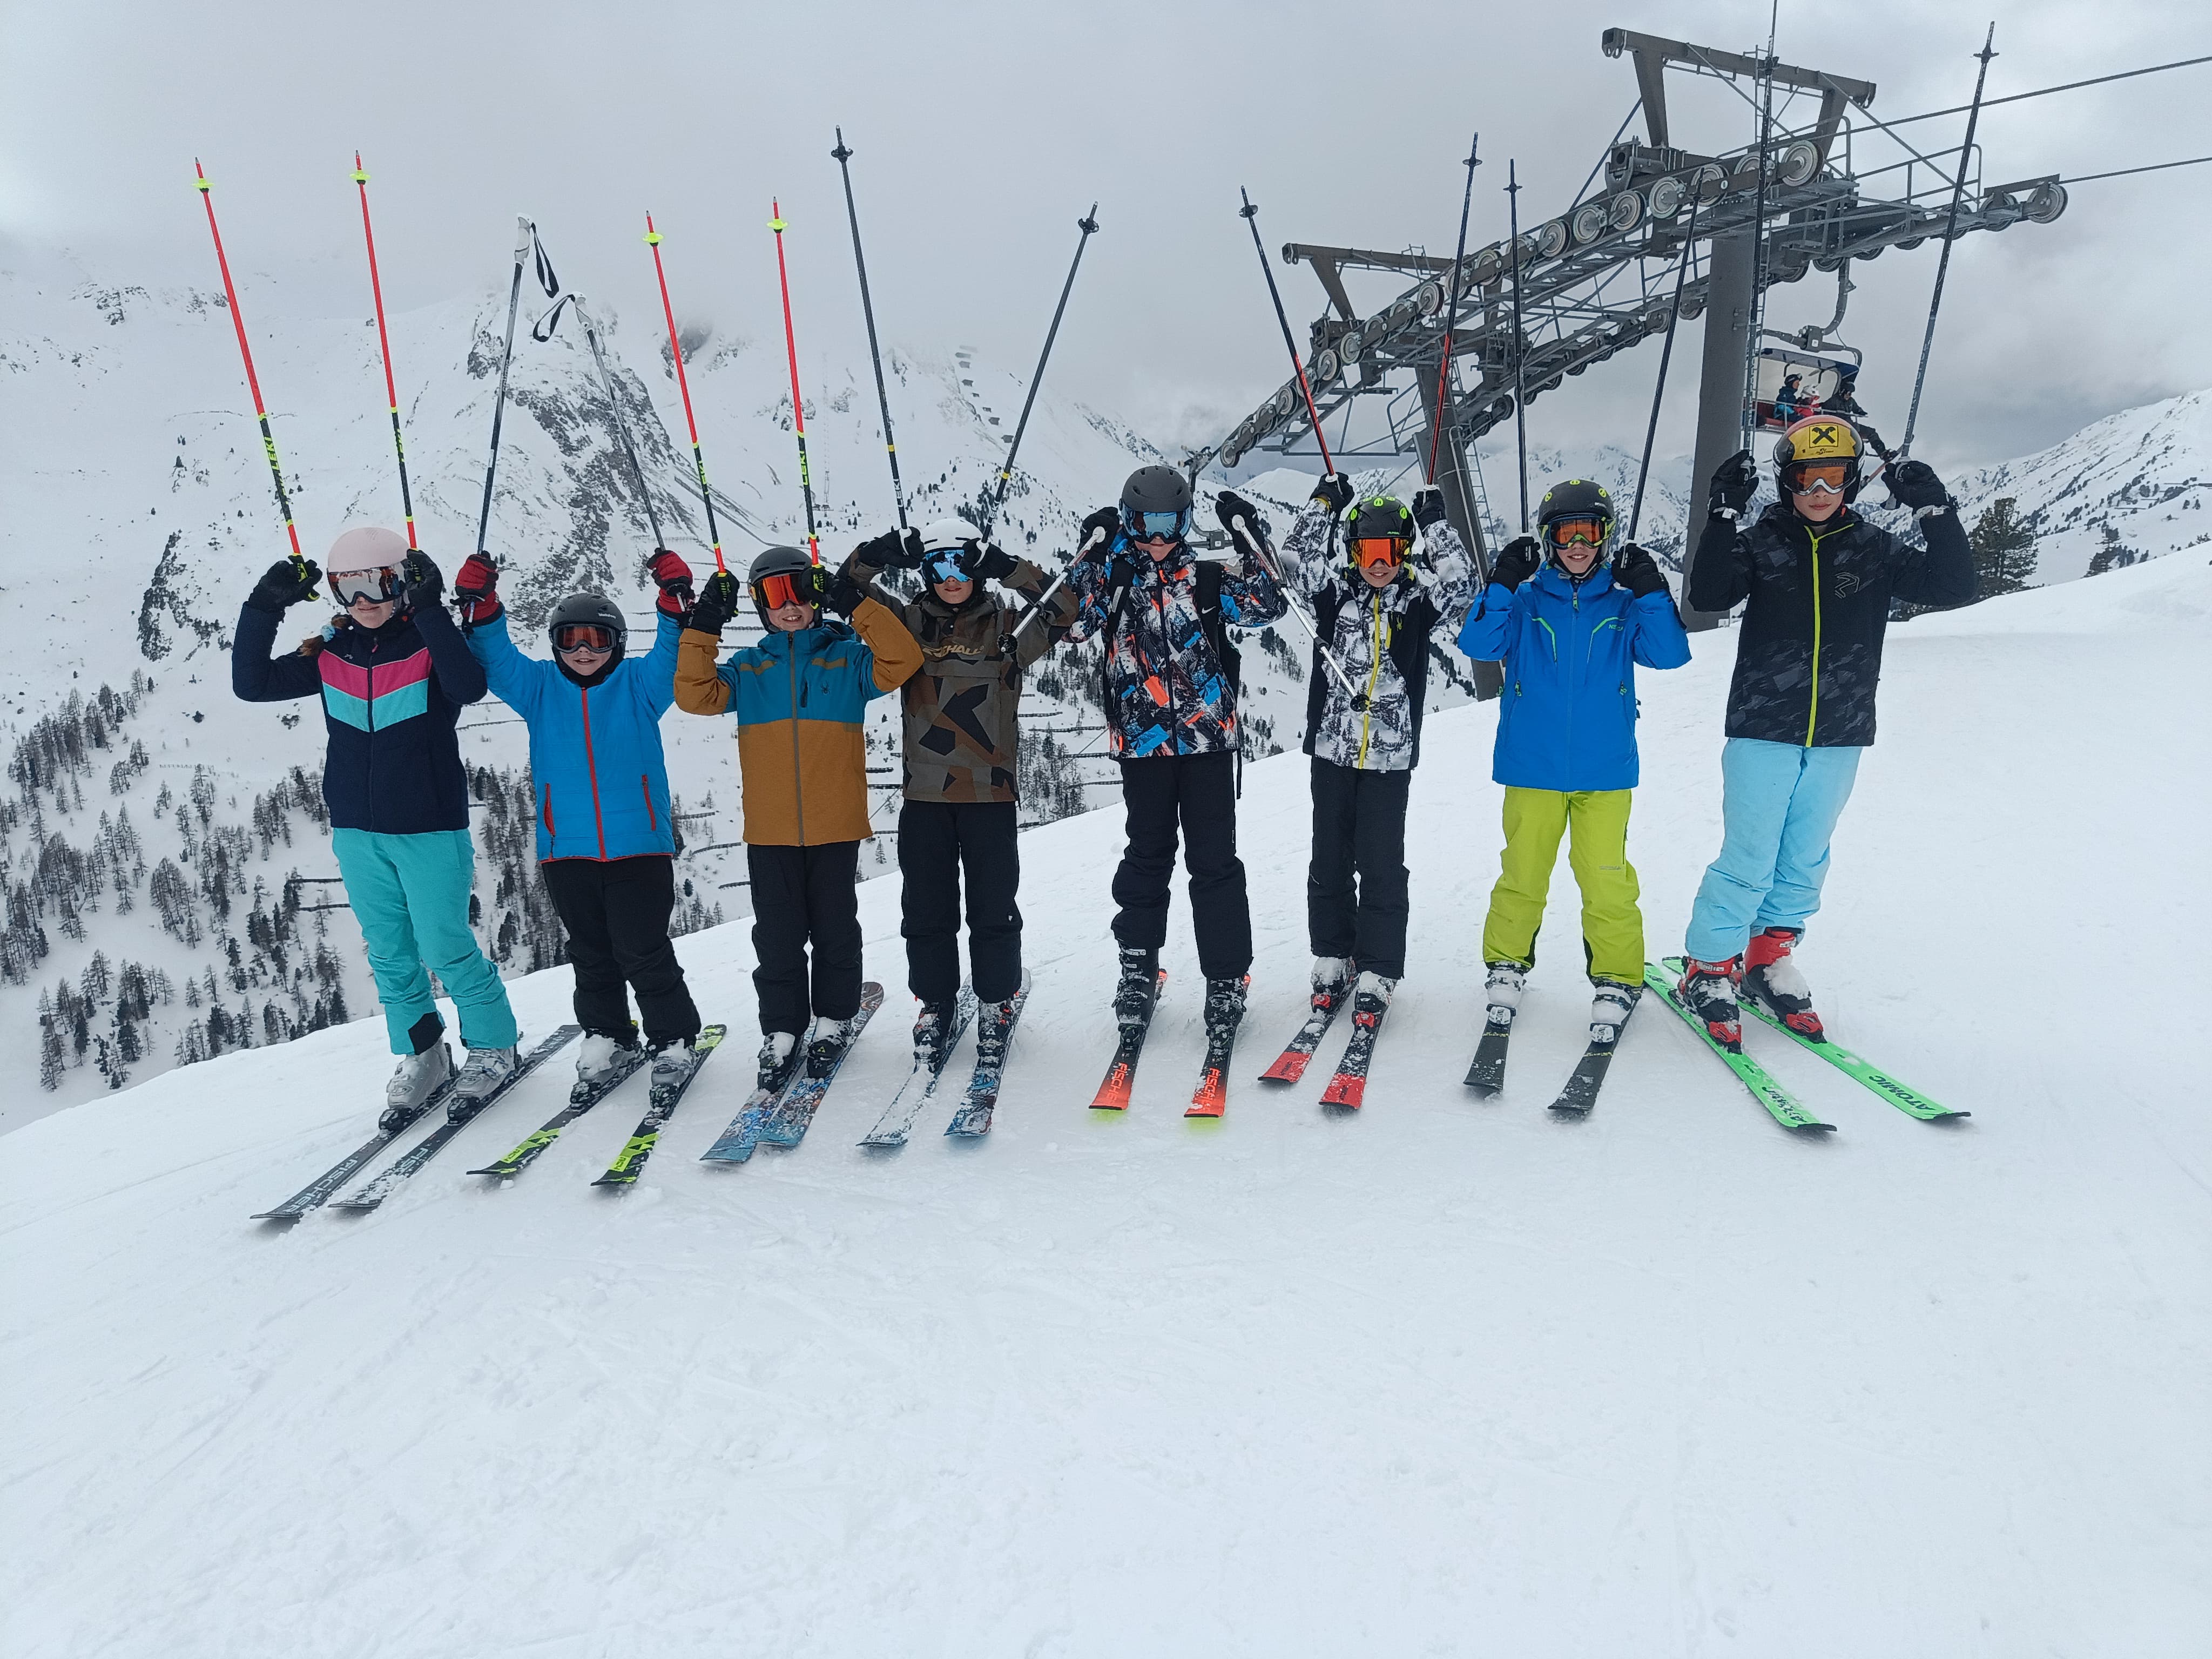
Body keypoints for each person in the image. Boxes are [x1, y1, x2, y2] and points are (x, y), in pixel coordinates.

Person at [1676, 415, 1974, 1045]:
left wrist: (1934, 511)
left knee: (1806, 856)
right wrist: (1723, 516)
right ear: (1787, 482)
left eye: (1834, 476)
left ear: (1849, 482)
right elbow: (1707, 595)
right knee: (1749, 857)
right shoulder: (1762, 542)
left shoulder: (1872, 547)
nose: (1819, 490)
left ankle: (1767, 958)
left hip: (1840, 730)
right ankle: (1707, 968)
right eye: (1807, 476)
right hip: (1763, 726)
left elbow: (1955, 586)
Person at [231, 527, 522, 1127]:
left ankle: (494, 1045)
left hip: (428, 827)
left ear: (403, 582)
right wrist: (266, 605)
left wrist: (432, 610)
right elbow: (251, 684)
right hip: (358, 830)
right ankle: (424, 1053)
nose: (364, 600)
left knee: (444, 945)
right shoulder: (331, 653)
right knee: (390, 952)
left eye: (379, 583)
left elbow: (469, 686)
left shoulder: (427, 645)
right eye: (348, 587)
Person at [451, 548, 703, 1095]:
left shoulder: (640, 686)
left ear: (617, 644)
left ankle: (673, 1036)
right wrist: (484, 605)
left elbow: (673, 652)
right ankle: (608, 1034)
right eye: (570, 639)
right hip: (566, 849)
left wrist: (672, 602)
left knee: (643, 948)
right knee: (589, 951)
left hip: (639, 846)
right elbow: (496, 658)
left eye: (597, 638)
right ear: (555, 646)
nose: (584, 651)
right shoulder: (538, 689)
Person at [673, 545, 921, 1085]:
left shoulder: (849, 660)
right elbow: (693, 695)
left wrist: (853, 602)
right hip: (771, 831)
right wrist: (704, 625)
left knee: (835, 931)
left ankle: (833, 1020)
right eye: (773, 596)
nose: (789, 607)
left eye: (799, 593)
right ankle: (781, 1030)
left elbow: (903, 659)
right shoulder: (749, 669)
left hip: (834, 827)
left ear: (815, 597)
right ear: (760, 606)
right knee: (778, 938)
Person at [1457, 480, 1691, 1043]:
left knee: (1606, 878)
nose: (1578, 544)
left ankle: (1616, 975)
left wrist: (1653, 590)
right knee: (1523, 874)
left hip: (1604, 768)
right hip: (1531, 765)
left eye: (1589, 531)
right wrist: (1500, 584)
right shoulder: (1526, 599)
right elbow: (1479, 645)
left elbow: (1669, 654)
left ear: (1606, 535)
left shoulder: (1624, 601)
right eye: (1566, 532)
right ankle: (1506, 964)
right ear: (1548, 538)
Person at [1060, 464, 1287, 1041]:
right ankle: (1137, 968)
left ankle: (1226, 977)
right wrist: (1092, 552)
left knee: (1214, 862)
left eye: (1167, 524)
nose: (1156, 539)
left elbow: (1269, 602)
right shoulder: (1114, 581)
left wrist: (1248, 531)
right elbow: (1072, 622)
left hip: (1208, 743)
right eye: (1143, 524)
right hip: (1143, 746)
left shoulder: (1207, 577)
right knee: (1147, 857)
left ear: (1184, 522)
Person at [844, 517, 1079, 1061]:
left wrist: (1009, 568)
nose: (950, 578)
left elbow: (1066, 607)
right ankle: (935, 1003)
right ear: (925, 572)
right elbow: (845, 591)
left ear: (976, 569)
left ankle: (996, 1002)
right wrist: (880, 551)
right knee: (925, 913)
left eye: (962, 565)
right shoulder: (903, 625)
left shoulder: (1009, 628)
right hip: (924, 799)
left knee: (994, 910)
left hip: (989, 799)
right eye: (938, 566)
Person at [1276, 475, 1476, 1027]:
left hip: (1389, 759)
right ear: (1352, 552)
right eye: (1367, 550)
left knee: (1382, 862)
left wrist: (1436, 524)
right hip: (1331, 755)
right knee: (1329, 858)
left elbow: (1462, 588)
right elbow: (1293, 561)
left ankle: (1380, 967)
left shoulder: (1416, 602)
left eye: (1390, 551)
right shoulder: (1333, 593)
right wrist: (1324, 504)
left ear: (1404, 552)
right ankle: (1333, 955)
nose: (1379, 562)